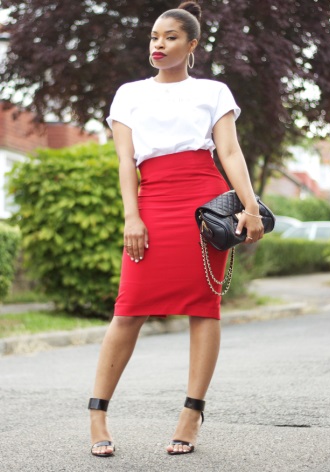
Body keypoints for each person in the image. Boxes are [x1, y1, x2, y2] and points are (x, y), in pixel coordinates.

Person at [88, 0, 264, 457]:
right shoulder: (129, 93)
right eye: (153, 37)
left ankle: (191, 413)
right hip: (153, 201)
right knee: (128, 309)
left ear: (192, 44)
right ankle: (97, 414)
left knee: (203, 308)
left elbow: (230, 154)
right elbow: (125, 163)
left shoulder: (214, 91)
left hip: (203, 206)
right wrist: (132, 215)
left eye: (169, 37)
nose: (159, 44)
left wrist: (250, 208)